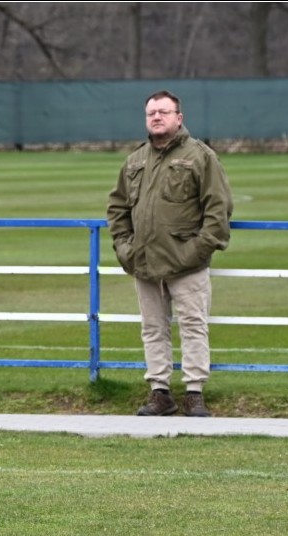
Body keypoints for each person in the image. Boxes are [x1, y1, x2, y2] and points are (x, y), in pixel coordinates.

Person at [107, 90, 233, 418]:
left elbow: (218, 210)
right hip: (145, 263)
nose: (157, 117)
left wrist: (196, 250)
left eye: (164, 112)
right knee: (152, 328)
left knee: (193, 325)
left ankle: (194, 393)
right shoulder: (135, 160)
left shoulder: (200, 156)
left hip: (187, 263)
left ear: (179, 117)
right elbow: (117, 208)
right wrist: (125, 249)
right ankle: (159, 392)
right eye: (151, 113)